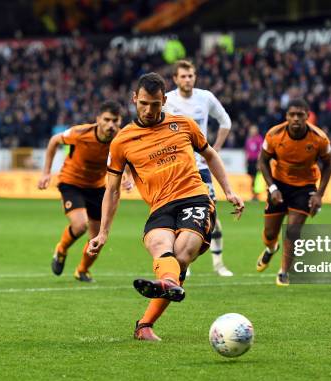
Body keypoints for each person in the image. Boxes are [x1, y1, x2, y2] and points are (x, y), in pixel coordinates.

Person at [87, 73, 244, 341]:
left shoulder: (183, 125)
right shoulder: (122, 141)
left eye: (156, 104)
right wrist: (102, 233)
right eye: (144, 103)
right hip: (160, 207)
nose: (149, 110)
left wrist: (228, 190)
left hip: (194, 198)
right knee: (161, 248)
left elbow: (210, 155)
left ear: (164, 101)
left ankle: (167, 284)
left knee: (183, 252)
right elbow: (111, 190)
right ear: (135, 99)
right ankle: (145, 324)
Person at [37, 101, 123, 282]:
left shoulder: (121, 140)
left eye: (115, 121)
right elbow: (54, 141)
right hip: (71, 183)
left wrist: (128, 178)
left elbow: (127, 158)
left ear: (120, 121)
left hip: (98, 188)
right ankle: (61, 249)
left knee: (98, 238)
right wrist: (46, 172)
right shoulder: (80, 133)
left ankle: (82, 270)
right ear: (98, 119)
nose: (111, 125)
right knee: (80, 225)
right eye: (106, 120)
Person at [164, 60, 234, 276]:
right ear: (175, 79)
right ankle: (186, 261)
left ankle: (219, 265)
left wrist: (214, 151)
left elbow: (225, 122)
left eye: (191, 76)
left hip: (201, 168)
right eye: (183, 76)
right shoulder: (167, 100)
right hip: (175, 168)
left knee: (211, 216)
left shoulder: (205, 97)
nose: (188, 79)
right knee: (179, 215)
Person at [256, 99, 331, 286]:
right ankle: (271, 248)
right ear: (287, 116)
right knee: (269, 232)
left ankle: (284, 271)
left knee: (293, 230)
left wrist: (319, 195)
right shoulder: (274, 135)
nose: (296, 118)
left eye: (300, 115)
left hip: (305, 186)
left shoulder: (319, 138)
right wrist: (272, 187)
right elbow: (263, 161)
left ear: (308, 116)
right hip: (279, 184)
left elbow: (329, 164)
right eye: (292, 115)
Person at [244, 125, 264, 200]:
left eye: (253, 130)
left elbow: (261, 151)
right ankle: (253, 194)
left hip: (256, 161)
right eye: (251, 130)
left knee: (256, 178)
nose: (252, 131)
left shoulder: (259, 139)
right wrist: (246, 161)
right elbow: (247, 151)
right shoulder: (248, 140)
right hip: (250, 161)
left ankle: (256, 195)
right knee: (252, 178)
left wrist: (259, 162)